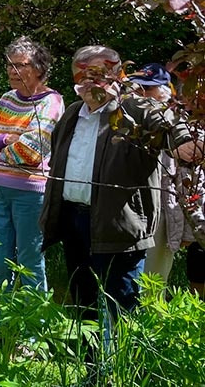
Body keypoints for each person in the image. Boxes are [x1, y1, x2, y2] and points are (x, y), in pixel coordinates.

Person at [39, 46, 199, 343]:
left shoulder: (133, 109)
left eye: (98, 74)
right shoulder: (73, 114)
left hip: (121, 224)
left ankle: (123, 372)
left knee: (121, 307)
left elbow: (169, 125)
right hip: (75, 220)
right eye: (83, 75)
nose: (90, 82)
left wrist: (184, 143)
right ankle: (92, 371)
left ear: (115, 75)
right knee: (84, 305)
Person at [0, 37, 63, 292]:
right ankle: (2, 323)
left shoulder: (51, 102)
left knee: (29, 261)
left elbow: (31, 152)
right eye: (10, 65)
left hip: (31, 193)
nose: (13, 70)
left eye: (21, 65)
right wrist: (6, 139)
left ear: (39, 68)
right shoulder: (7, 99)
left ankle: (35, 328)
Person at [130, 63, 185, 281]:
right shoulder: (124, 122)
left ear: (165, 91)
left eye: (149, 88)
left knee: (154, 275)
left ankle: (154, 314)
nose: (142, 93)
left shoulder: (176, 125)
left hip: (162, 205)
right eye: (138, 88)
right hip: (129, 204)